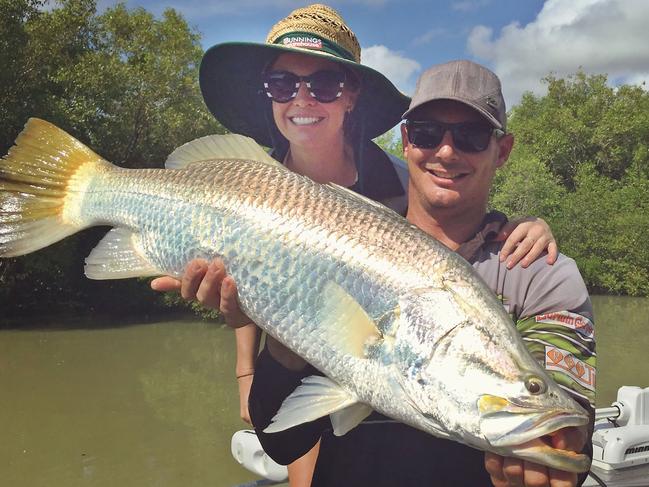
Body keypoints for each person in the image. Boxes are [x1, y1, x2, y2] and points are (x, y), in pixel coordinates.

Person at [151, 5, 563, 486]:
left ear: (351, 95)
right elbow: (244, 283)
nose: (302, 99)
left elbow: (447, 219)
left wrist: (526, 225)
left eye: (323, 84)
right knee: (300, 446)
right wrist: (245, 370)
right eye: (283, 85)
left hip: (367, 331)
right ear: (268, 94)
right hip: (296, 330)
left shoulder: (393, 180)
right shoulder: (252, 177)